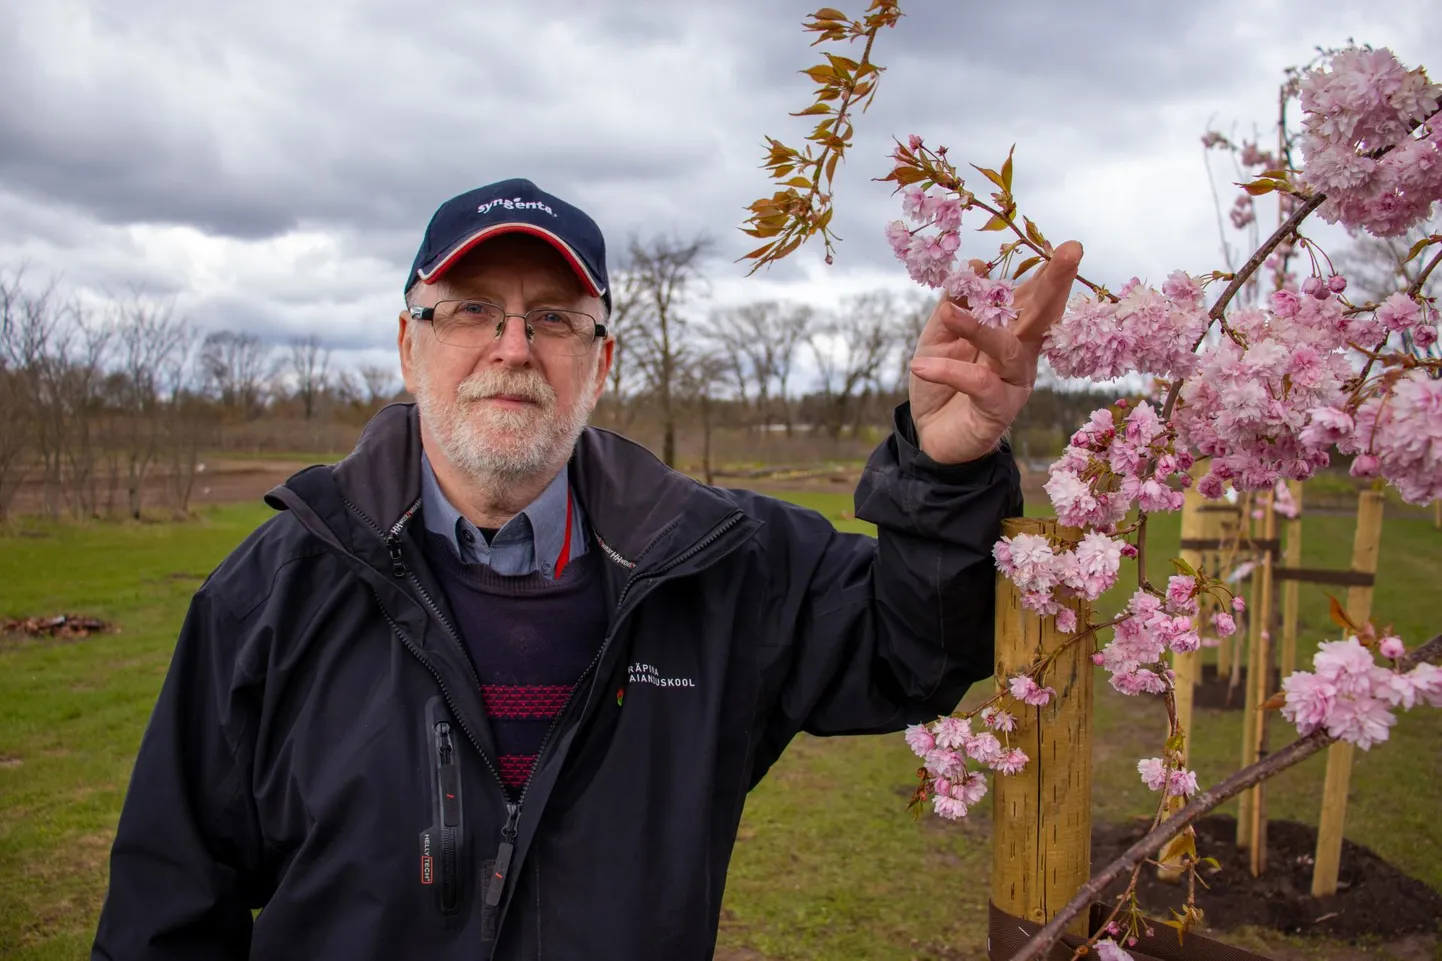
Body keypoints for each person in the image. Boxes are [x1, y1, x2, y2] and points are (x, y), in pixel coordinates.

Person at [92, 178, 1082, 960]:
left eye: (554, 318)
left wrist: (944, 468)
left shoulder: (722, 565)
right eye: (471, 309)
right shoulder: (270, 593)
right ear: (407, 345)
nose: (512, 347)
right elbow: (167, 906)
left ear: (600, 361)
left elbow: (912, 649)